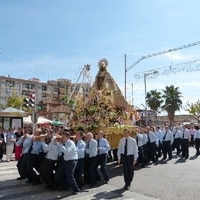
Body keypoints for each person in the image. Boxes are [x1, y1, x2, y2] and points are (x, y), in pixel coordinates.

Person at [55, 130, 79, 195]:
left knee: (69, 176)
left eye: (64, 137)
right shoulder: (63, 143)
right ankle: (64, 186)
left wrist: (60, 144)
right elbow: (59, 151)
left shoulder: (71, 143)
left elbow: (67, 152)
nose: (62, 138)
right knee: (58, 174)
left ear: (68, 137)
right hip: (65, 160)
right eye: (62, 137)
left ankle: (76, 189)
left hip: (72, 160)